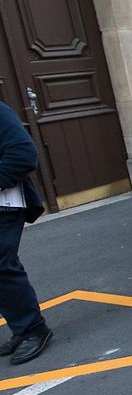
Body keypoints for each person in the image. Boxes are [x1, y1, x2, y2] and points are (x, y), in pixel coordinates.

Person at [0, 100, 51, 366]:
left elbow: (23, 154)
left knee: (2, 266)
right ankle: (23, 327)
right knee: (4, 268)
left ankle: (33, 330)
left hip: (5, 205)